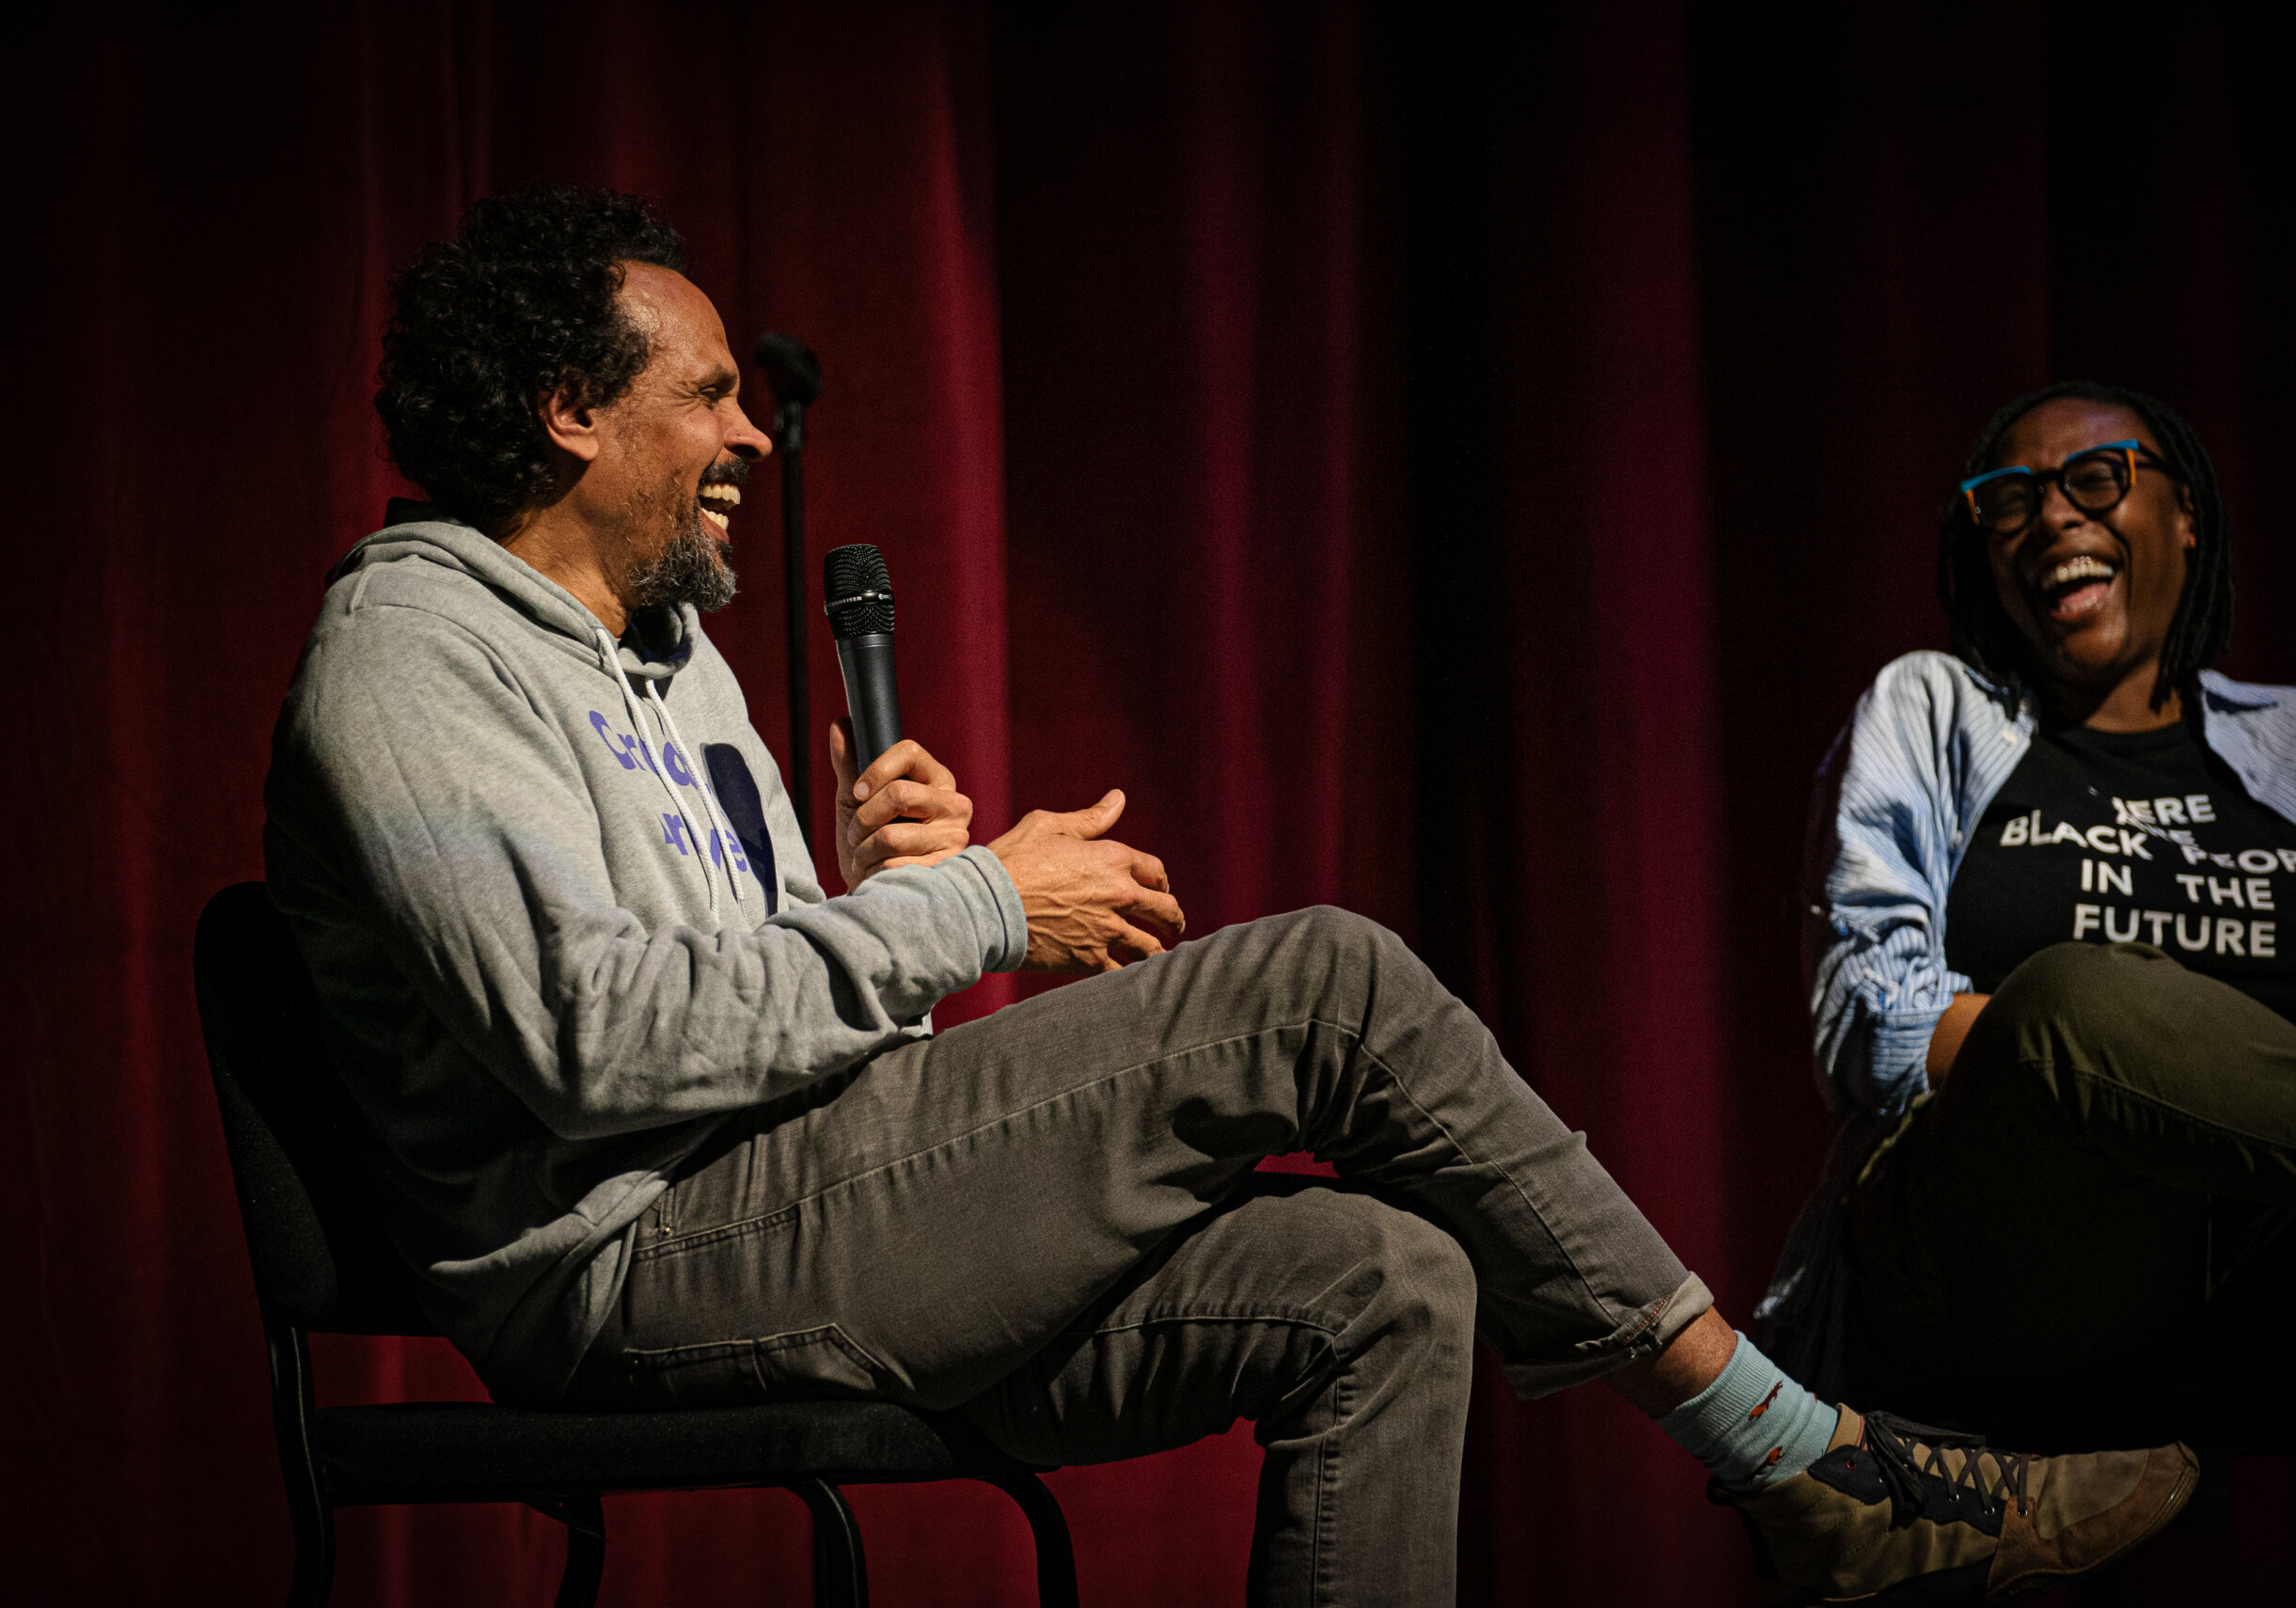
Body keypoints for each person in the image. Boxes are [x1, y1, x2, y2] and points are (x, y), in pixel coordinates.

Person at [266, 185, 2194, 1605]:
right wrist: (972, 914)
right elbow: (602, 1049)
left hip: (780, 1208)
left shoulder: (675, 660)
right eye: (706, 396)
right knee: (1320, 986)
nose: (751, 438)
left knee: (1382, 1276)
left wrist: (865, 903)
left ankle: (1797, 1469)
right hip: (627, 1275)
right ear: (565, 412)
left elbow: (756, 1026)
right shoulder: (411, 653)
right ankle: (1800, 1458)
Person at [1763, 379, 2296, 1593]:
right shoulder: (1935, 707)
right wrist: (2200, 1063)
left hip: (2274, 1257)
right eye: (2009, 499)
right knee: (2078, 999)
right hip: (2000, 1249)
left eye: (2095, 478)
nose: (2051, 515)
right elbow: (1875, 1023)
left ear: (2188, 517)